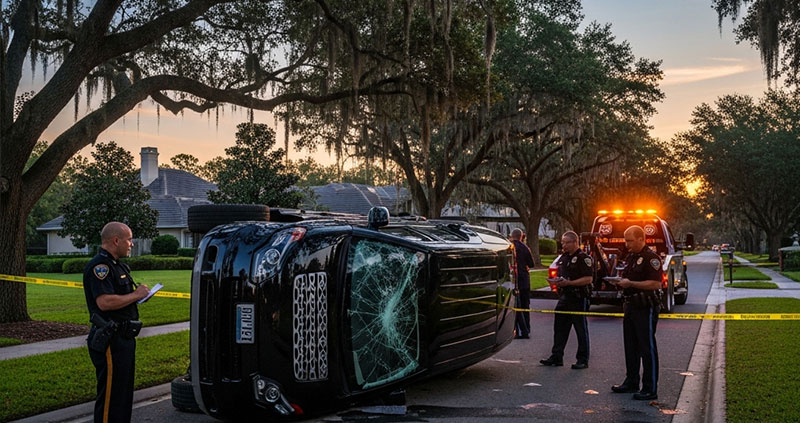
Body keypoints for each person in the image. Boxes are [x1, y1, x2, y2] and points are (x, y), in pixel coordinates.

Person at [84, 222, 150, 423]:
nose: (131, 244)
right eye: (129, 239)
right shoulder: (100, 267)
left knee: (122, 396)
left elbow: (121, 298)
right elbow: (104, 302)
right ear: (115, 240)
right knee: (111, 399)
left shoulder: (118, 265)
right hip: (110, 339)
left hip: (124, 338)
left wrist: (138, 296)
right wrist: (135, 294)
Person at [610, 225, 663, 400]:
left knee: (647, 348)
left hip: (645, 306)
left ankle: (650, 388)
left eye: (630, 240)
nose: (627, 244)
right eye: (626, 240)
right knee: (630, 347)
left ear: (642, 239)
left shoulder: (651, 258)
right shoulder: (631, 257)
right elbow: (629, 278)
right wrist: (620, 282)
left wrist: (631, 284)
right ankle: (631, 382)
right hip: (630, 305)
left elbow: (655, 284)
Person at [540, 231, 593, 369]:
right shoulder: (563, 257)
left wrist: (570, 283)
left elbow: (588, 279)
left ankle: (582, 359)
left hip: (578, 297)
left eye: (566, 242)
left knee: (581, 329)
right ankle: (557, 356)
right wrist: (556, 281)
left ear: (575, 242)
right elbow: (561, 273)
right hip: (565, 297)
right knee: (559, 328)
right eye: (562, 242)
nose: (563, 245)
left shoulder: (583, 258)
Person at [510, 228, 535, 339]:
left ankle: (517, 329)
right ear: (521, 236)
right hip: (524, 279)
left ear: (511, 235)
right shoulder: (525, 248)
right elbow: (531, 264)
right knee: (525, 305)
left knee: (515, 305)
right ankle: (527, 328)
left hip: (514, 279)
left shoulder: (509, 248)